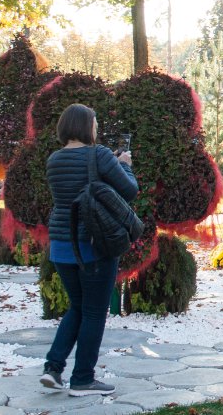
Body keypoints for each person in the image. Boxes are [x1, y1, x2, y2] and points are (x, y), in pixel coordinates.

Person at [40, 104, 138, 396]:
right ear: (86, 126)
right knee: (94, 312)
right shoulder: (99, 155)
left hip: (60, 245)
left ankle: (53, 368)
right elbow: (129, 190)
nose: (96, 128)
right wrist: (124, 164)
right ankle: (83, 378)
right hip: (94, 244)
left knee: (78, 307)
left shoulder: (54, 160)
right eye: (95, 123)